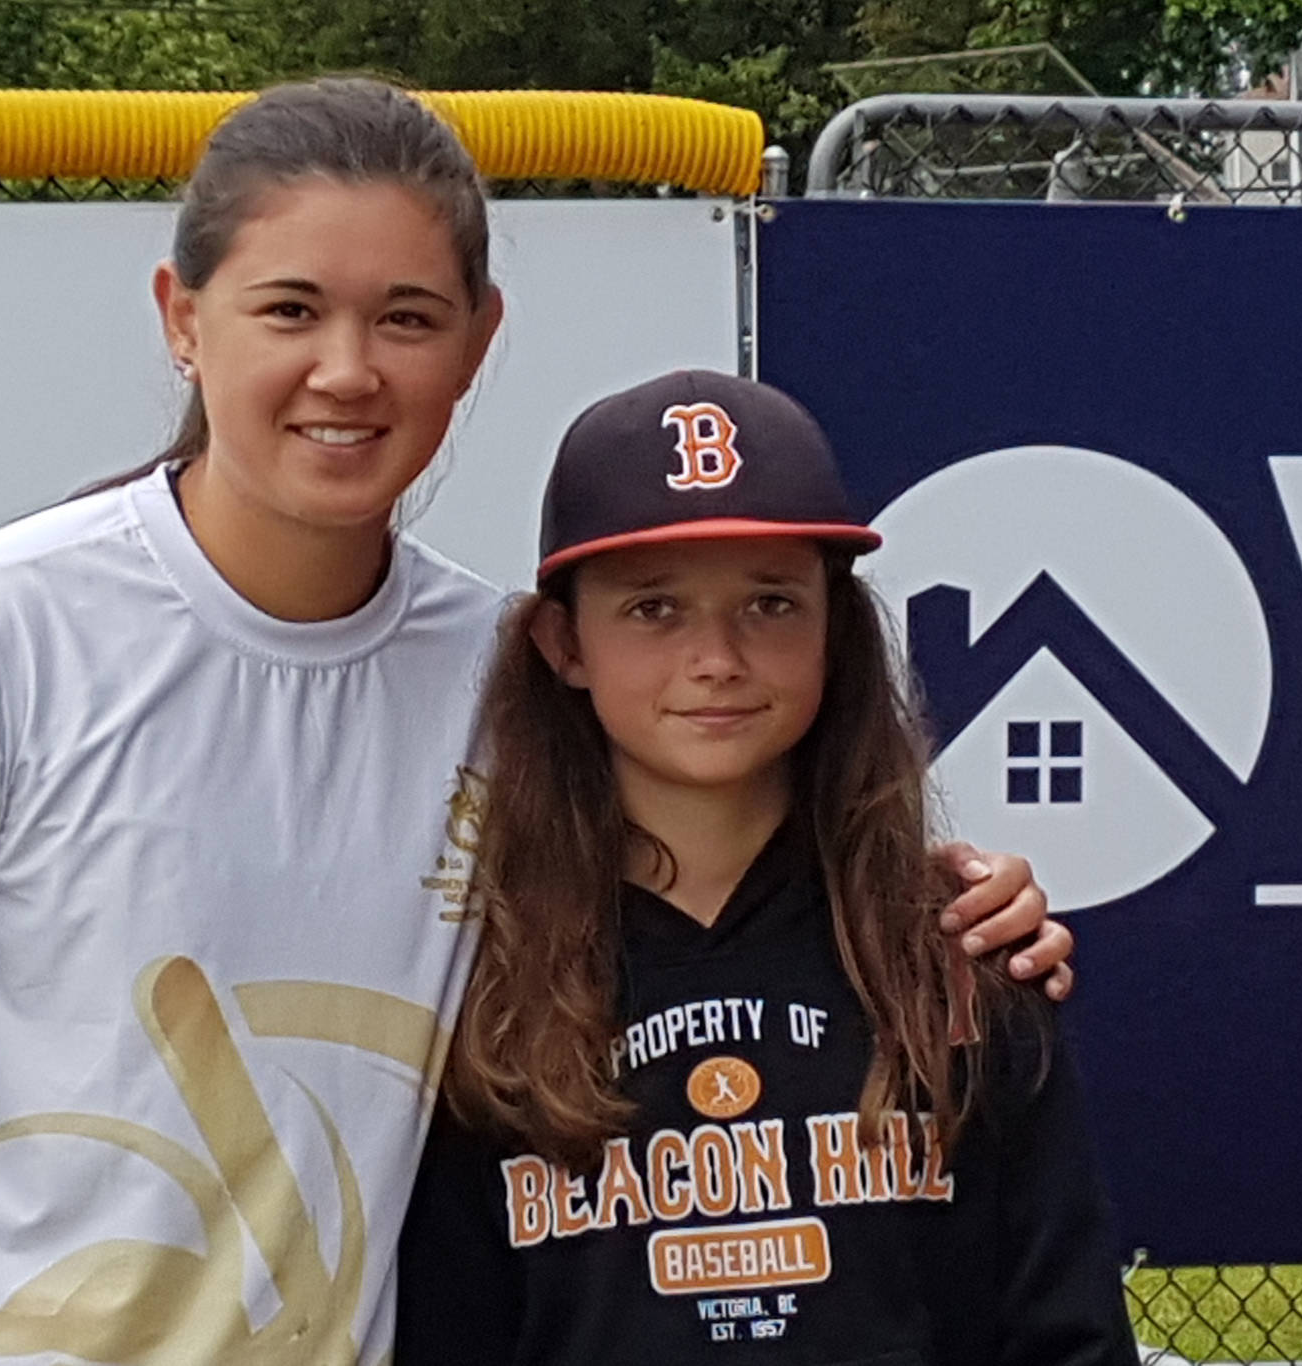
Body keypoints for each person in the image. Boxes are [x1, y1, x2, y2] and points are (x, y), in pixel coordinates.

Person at [0, 81, 1074, 1366]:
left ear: (479, 341)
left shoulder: (506, 677)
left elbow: (740, 855)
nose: (347, 370)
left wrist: (958, 901)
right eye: (291, 308)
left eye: (408, 318)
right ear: (182, 317)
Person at [395, 370, 1136, 1364]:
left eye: (770, 603)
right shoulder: (476, 971)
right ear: (562, 641)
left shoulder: (954, 951)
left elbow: (1064, 1332)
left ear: (835, 627)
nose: (716, 657)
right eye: (653, 608)